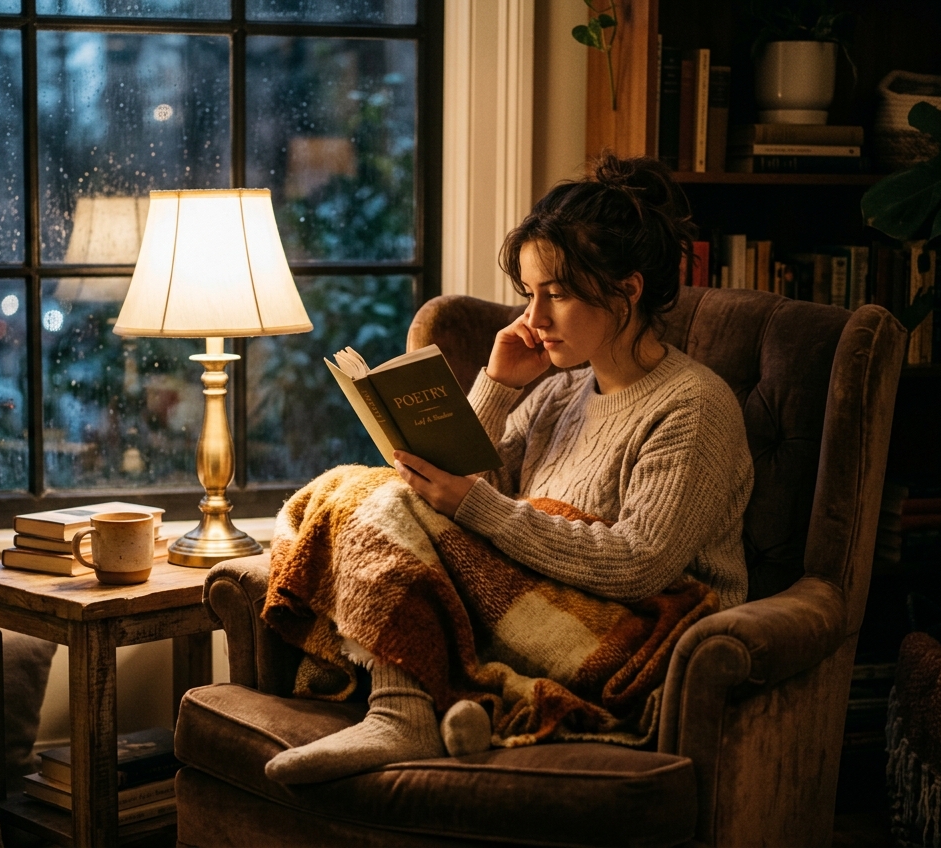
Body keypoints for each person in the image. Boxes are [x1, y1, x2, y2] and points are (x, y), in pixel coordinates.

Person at [264, 153, 755, 785]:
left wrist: (474, 505)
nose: (535, 319)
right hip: (542, 609)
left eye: (559, 294)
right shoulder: (559, 392)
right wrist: (495, 386)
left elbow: (640, 565)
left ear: (628, 290)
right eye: (530, 295)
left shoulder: (693, 405)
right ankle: (455, 707)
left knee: (373, 494)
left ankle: (406, 711)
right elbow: (450, 495)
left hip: (643, 639)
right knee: (353, 489)